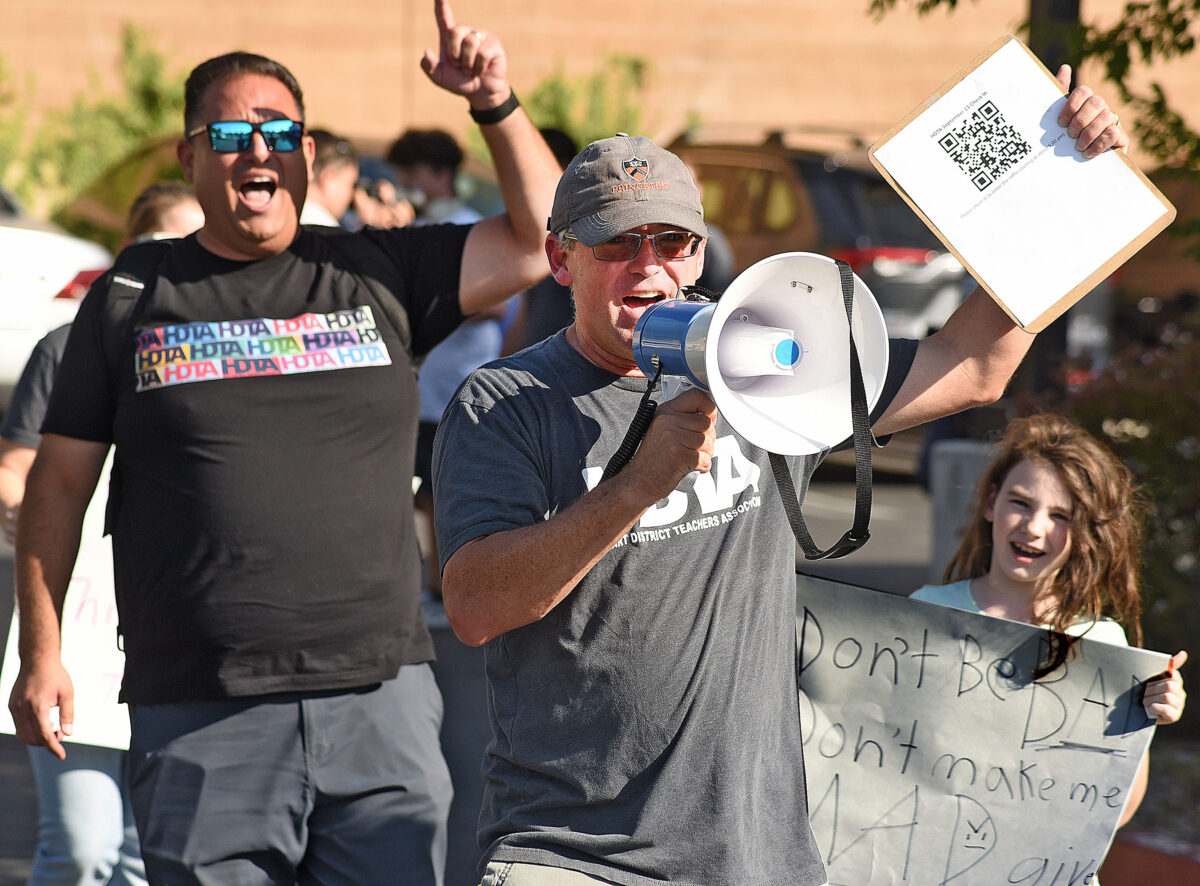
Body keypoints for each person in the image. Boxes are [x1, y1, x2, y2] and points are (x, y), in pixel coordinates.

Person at [431, 67, 1132, 886]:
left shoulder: (760, 367)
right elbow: (476, 606)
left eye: (673, 241)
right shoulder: (508, 402)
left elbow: (971, 366)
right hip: (576, 853)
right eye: (618, 242)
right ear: (560, 258)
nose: (648, 265)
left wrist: (1054, 187)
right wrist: (633, 487)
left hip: (754, 854)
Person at [7, 0, 559, 882]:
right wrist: (42, 652)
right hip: (202, 709)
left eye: (280, 130)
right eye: (229, 130)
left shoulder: (376, 270)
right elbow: (60, 486)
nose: (257, 148)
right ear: (191, 157)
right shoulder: (129, 296)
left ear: (306, 152)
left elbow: (540, 242)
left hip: (378, 704)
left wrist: (494, 101)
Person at [0, 182, 202, 886]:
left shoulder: (220, 353)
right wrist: (24, 502)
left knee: (148, 857)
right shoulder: (68, 347)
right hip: (83, 633)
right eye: (165, 250)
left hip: (179, 644)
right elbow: (20, 468)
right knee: (83, 848)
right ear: (128, 257)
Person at [910, 412, 1186, 829]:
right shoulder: (926, 611)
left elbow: (1114, 811)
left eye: (1062, 516)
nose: (1035, 527)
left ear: (1086, 532)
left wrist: (1149, 717)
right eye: (1020, 502)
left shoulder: (1105, 641)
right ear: (990, 503)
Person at [299, 128, 359, 227]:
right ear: (327, 179)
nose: (353, 196)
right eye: (351, 185)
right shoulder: (331, 235)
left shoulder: (282, 223)